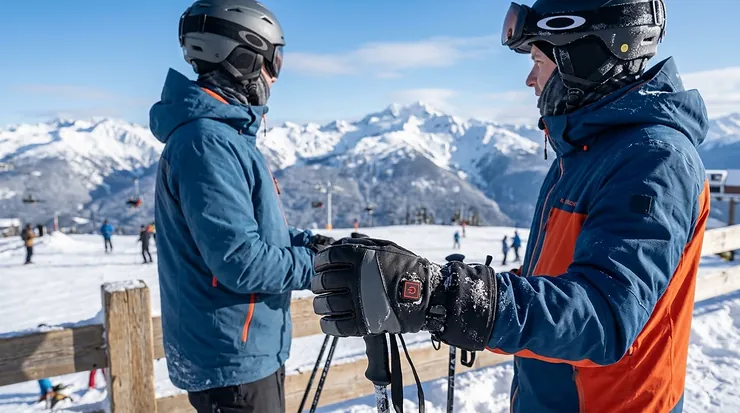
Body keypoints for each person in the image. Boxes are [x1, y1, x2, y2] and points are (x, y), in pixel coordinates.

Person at [311, 1, 710, 412]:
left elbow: (605, 316)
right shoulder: (586, 153)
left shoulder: (652, 160)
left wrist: (446, 298)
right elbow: (554, 276)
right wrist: (447, 285)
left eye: (538, 59)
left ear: (584, 56)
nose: (529, 79)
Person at [150, 1, 333, 412]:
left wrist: (314, 245)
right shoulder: (207, 142)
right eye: (274, 61)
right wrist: (319, 268)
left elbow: (251, 233)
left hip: (243, 351)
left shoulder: (222, 137)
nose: (273, 75)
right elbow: (239, 261)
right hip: (232, 360)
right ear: (243, 56)